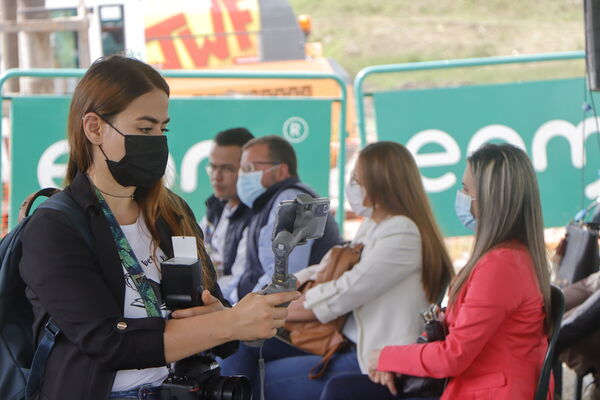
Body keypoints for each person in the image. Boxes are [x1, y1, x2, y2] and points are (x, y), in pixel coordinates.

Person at [18, 55, 299, 400]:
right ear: (94, 128)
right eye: (144, 129)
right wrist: (227, 323)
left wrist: (224, 319)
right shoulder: (55, 227)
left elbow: (216, 316)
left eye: (162, 129)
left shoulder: (172, 212)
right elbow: (108, 342)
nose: (157, 141)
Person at [221, 141, 454, 400]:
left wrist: (274, 310)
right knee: (240, 344)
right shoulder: (374, 226)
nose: (350, 187)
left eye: (356, 180)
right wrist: (269, 299)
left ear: (381, 182)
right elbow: (318, 270)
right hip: (343, 343)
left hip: (372, 357)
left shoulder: (402, 232)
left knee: (256, 379)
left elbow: (344, 292)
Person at [325, 143, 552, 400]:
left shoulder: (501, 266)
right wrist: (396, 361)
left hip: (484, 390)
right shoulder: (509, 256)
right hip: (469, 383)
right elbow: (455, 326)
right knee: (342, 390)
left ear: (491, 200)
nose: (460, 195)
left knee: (341, 392)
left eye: (466, 189)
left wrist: (385, 356)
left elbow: (453, 356)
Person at [220, 135, 343, 304]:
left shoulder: (293, 201)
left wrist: (238, 310)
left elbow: (285, 275)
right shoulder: (265, 203)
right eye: (241, 170)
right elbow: (249, 272)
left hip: (288, 314)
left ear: (280, 171)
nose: (242, 177)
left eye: (249, 168)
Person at [200, 127, 254, 287]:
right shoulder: (215, 205)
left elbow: (241, 281)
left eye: (227, 169)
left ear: (249, 169)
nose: (216, 176)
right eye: (213, 167)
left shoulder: (257, 216)